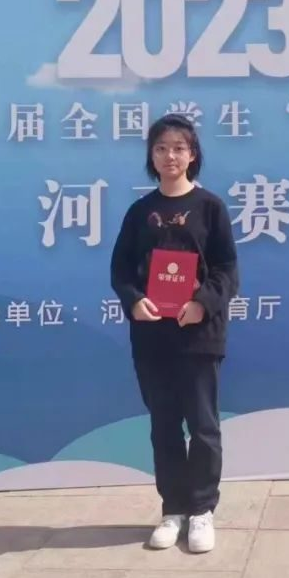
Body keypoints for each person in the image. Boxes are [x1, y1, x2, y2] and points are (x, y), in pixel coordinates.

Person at [109, 114, 239, 553]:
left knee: (202, 426)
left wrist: (201, 302)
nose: (170, 156)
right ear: (151, 155)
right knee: (163, 426)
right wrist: (133, 301)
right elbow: (121, 270)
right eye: (161, 148)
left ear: (193, 154)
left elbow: (227, 269)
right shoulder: (139, 212)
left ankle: (201, 510)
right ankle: (174, 509)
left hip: (199, 335)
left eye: (179, 148)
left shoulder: (210, 208)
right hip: (152, 338)